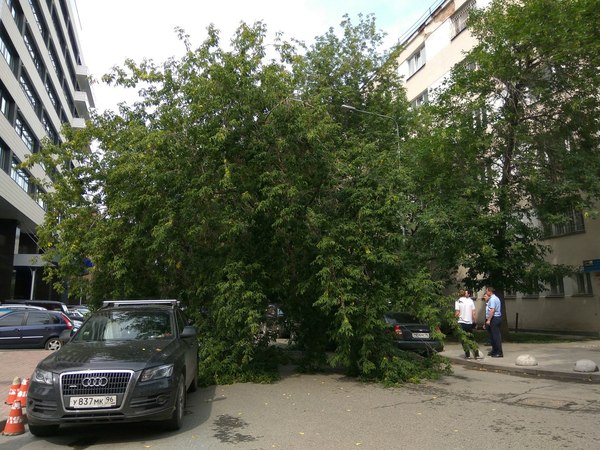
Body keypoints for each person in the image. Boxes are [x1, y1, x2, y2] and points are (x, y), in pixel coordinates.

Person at [455, 289, 479, 358]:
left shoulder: (458, 301)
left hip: (461, 322)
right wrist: (475, 321)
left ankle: (467, 354)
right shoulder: (470, 301)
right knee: (471, 338)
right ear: (465, 294)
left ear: (459, 294)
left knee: (463, 338)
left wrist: (453, 319)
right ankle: (476, 352)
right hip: (469, 322)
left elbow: (457, 312)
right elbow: (473, 313)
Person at [485, 286, 503, 357]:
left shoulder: (492, 299)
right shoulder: (494, 298)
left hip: (494, 318)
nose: (486, 293)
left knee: (496, 336)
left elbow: (492, 310)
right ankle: (494, 350)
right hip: (494, 318)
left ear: (490, 291)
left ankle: (499, 352)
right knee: (492, 336)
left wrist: (489, 320)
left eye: (487, 291)